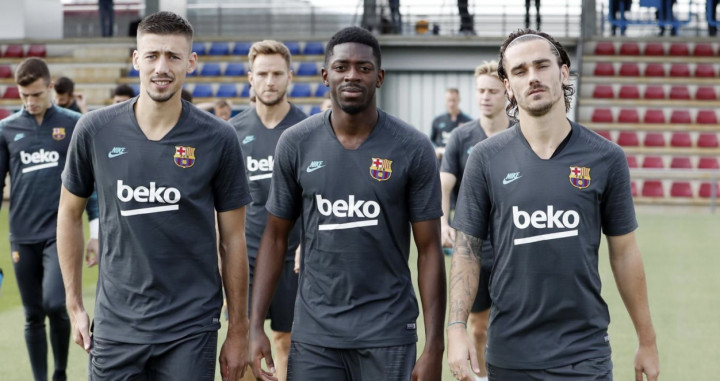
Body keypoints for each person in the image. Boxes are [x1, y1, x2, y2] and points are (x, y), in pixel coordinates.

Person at [446, 29, 659, 381]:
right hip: (510, 352)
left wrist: (647, 340)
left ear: (563, 72)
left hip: (584, 353)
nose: (532, 77)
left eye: (542, 65)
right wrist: (456, 328)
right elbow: (467, 251)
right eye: (519, 71)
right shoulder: (485, 159)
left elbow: (624, 253)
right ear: (508, 85)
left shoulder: (606, 158)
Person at [57, 11, 252, 381]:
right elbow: (68, 213)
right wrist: (74, 303)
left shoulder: (219, 138)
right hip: (116, 324)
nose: (162, 67)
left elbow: (233, 239)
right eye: (152, 56)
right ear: (136, 60)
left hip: (190, 326)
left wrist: (238, 328)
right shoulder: (94, 130)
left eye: (173, 56)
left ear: (191, 62)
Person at [248, 26, 446, 381]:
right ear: (326, 75)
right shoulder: (296, 143)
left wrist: (434, 347)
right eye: (341, 67)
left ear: (380, 77)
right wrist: (253, 325)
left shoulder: (413, 147)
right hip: (314, 335)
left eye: (363, 67)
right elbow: (275, 237)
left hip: (387, 333)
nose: (352, 75)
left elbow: (430, 250)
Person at [0, 57, 99, 381]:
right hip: (22, 236)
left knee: (56, 304)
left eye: (36, 94)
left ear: (50, 87)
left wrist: (96, 230)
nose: (30, 102)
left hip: (60, 234)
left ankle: (59, 372)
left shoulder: (73, 123)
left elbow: (92, 182)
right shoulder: (6, 129)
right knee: (32, 315)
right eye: (24, 95)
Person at [230, 40, 308, 381]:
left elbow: (317, 197)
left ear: (290, 76)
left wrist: (309, 241)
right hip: (244, 256)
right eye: (262, 74)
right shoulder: (232, 133)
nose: (270, 81)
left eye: (277, 73)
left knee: (287, 339)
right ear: (250, 78)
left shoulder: (309, 131)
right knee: (246, 341)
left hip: (293, 256)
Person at [440, 60, 511, 381]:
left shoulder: (521, 134)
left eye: (492, 91)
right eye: (481, 90)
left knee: (514, 324)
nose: (485, 97)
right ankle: (483, 376)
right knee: (478, 326)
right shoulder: (460, 137)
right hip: (474, 247)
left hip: (515, 245)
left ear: (507, 93)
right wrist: (443, 222)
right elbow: (444, 184)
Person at [430, 88, 472, 159]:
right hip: (441, 161)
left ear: (459, 100)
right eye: (449, 100)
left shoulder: (468, 121)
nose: (451, 104)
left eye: (454, 100)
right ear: (445, 101)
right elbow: (431, 140)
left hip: (459, 161)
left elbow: (471, 142)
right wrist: (436, 149)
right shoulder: (437, 120)